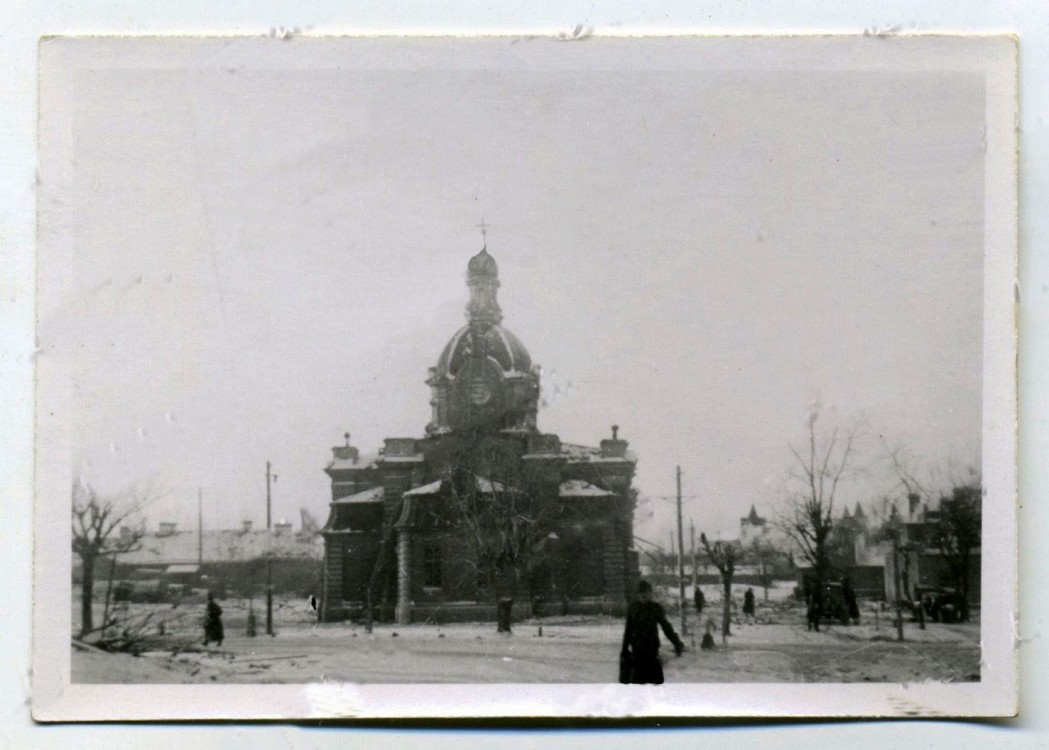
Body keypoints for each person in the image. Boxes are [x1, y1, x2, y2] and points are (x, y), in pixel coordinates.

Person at [620, 580, 684, 684]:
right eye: (641, 593)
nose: (644, 595)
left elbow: (666, 627)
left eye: (646, 592)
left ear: (650, 593)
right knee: (637, 684)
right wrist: (624, 649)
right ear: (638, 594)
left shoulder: (655, 608)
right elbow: (628, 630)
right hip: (638, 651)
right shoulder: (633, 608)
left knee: (656, 684)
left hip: (652, 650)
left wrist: (676, 643)